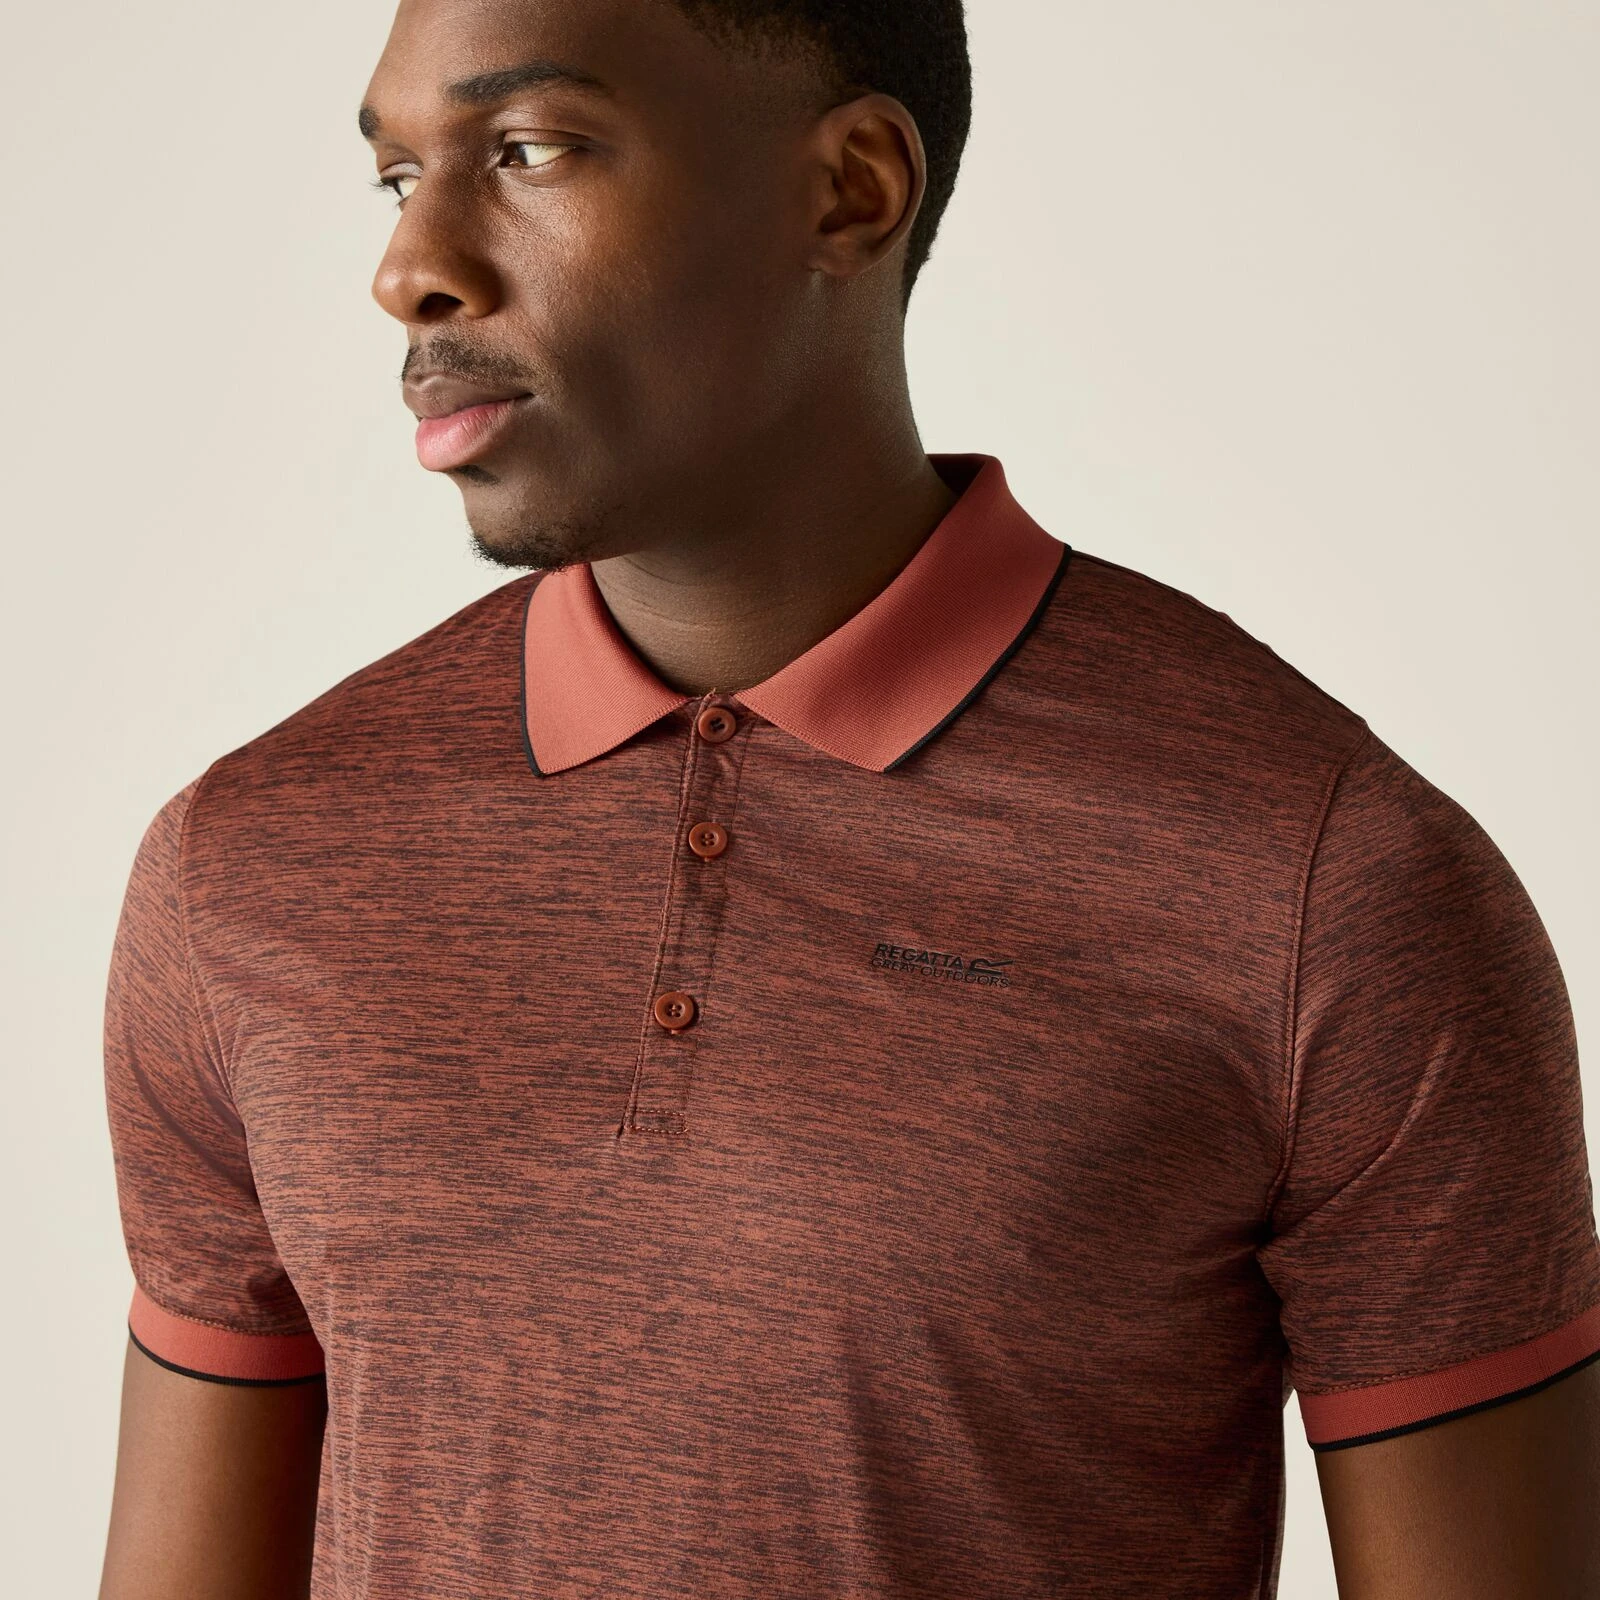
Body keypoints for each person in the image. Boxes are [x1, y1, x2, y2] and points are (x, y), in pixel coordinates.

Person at [97, 1, 1600, 1595]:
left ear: (853, 190)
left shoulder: (1326, 884)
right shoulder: (249, 866)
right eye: (399, 176)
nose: (411, 268)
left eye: (529, 150)